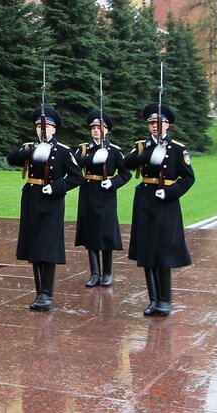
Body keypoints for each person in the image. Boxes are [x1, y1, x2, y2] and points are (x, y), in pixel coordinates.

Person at [7, 105, 83, 311]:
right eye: (39, 126)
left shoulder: (63, 151)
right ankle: (39, 291)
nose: (42, 130)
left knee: (47, 246)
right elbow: (11, 159)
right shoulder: (30, 148)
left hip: (51, 203)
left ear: (54, 129)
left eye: (46, 126)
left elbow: (78, 177)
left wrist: (57, 187)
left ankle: (47, 294)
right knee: (34, 246)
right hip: (31, 200)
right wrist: (31, 149)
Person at [123, 102, 195, 316]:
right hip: (145, 201)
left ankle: (165, 299)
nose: (155, 126)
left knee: (163, 250)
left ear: (167, 125)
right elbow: (127, 164)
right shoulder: (141, 147)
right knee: (147, 250)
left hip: (166, 203)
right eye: (152, 123)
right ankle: (153, 299)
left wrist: (171, 191)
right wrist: (148, 153)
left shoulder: (178, 149)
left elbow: (189, 178)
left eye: (159, 123)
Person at [74, 111, 129, 287]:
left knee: (105, 233)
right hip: (89, 193)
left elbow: (126, 174)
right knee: (90, 233)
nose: (96, 131)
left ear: (107, 131)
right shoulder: (84, 149)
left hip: (106, 194)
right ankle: (95, 273)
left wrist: (113, 182)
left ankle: (107, 273)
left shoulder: (114, 151)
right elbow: (74, 168)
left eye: (100, 128)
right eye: (94, 128)